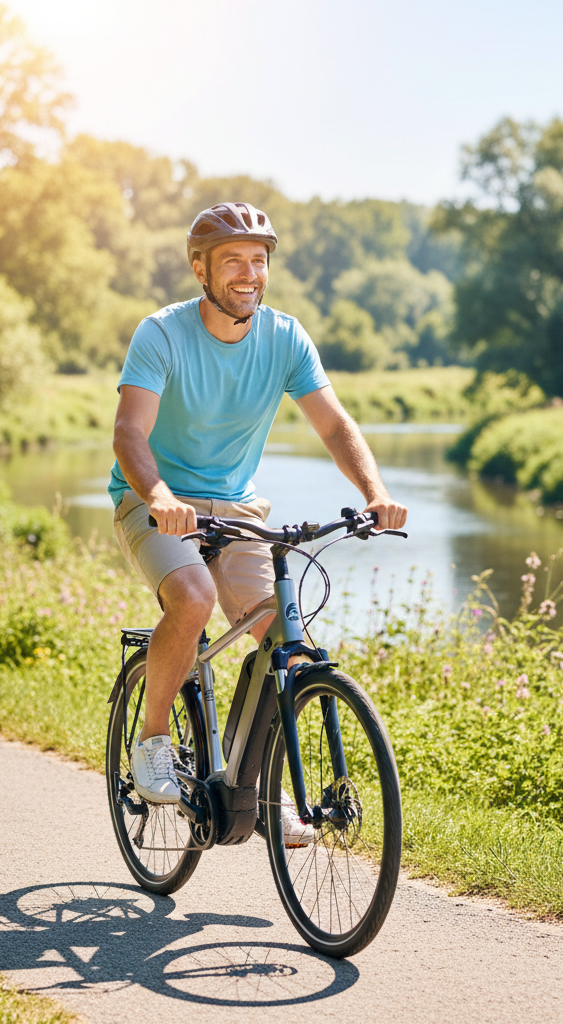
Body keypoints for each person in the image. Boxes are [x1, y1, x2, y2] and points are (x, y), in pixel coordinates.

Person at [110, 201, 407, 845]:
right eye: (233, 261)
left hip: (238, 512)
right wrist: (158, 494)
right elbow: (130, 431)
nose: (249, 273)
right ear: (201, 269)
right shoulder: (161, 334)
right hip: (156, 502)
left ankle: (265, 793)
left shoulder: (285, 337)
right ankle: (153, 742)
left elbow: (333, 426)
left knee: (282, 632)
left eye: (259, 260)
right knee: (193, 597)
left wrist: (375, 491)